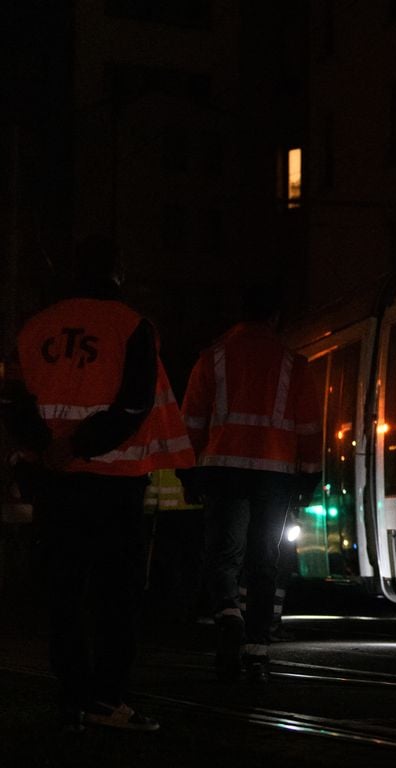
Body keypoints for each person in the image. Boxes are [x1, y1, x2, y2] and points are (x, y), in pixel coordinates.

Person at [0, 236, 194, 732]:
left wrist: (50, 446)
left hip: (54, 481)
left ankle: (71, 698)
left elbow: (14, 404)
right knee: (116, 595)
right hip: (115, 483)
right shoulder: (133, 327)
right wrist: (81, 444)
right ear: (118, 272)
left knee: (63, 591)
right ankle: (106, 700)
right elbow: (133, 407)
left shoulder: (34, 328)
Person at [181, 283, 320, 683]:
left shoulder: (212, 359)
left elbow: (190, 421)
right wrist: (309, 476)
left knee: (223, 556)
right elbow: (310, 429)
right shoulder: (295, 364)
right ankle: (257, 650)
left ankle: (227, 614)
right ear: (276, 316)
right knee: (264, 560)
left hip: (222, 468)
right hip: (275, 474)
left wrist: (189, 471)